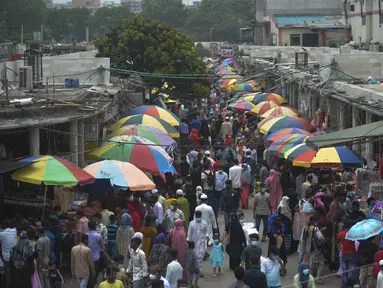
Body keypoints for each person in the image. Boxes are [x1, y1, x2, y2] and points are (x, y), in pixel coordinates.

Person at [298, 216, 326, 284]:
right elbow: (321, 238)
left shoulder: (305, 228)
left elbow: (302, 240)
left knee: (309, 264)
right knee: (321, 263)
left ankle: (310, 279)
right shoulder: (316, 229)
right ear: (315, 222)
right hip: (316, 250)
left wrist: (301, 252)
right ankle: (318, 278)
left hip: (307, 250)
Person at [187, 211, 208, 276]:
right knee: (194, 257)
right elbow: (189, 233)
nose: (198, 218)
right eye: (197, 216)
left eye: (199, 216)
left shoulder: (204, 223)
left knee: (200, 257)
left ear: (201, 216)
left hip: (201, 242)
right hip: (193, 243)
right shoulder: (191, 223)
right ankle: (193, 269)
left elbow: (206, 232)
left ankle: (199, 271)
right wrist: (187, 240)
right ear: (195, 216)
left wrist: (207, 236)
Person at [338, 220, 357, 288]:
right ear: (350, 227)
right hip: (352, 253)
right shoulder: (353, 234)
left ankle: (344, 285)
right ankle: (354, 284)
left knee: (344, 271)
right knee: (354, 269)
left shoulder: (340, 234)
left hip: (344, 253)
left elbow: (338, 242)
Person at [0, 219, 17, 288]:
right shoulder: (14, 232)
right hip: (14, 256)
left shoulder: (3, 234)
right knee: (12, 273)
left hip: (7, 258)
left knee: (7, 273)